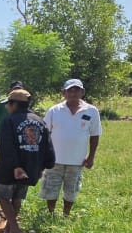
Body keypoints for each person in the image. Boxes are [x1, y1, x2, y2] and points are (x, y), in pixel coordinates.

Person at [0, 88, 54, 233]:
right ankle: (9, 229)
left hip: (11, 168)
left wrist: (15, 167)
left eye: (8, 104)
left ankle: (15, 230)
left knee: (1, 195)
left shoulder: (10, 120)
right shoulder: (40, 121)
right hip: (31, 167)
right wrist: (44, 166)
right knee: (17, 197)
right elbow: (47, 146)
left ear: (14, 104)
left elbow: (7, 146)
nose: (7, 107)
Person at [41, 78, 102, 216]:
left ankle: (66, 214)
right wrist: (44, 155)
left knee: (71, 189)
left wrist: (91, 157)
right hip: (54, 159)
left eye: (76, 90)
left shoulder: (91, 111)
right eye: (70, 91)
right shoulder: (54, 110)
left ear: (82, 92)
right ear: (64, 93)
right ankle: (50, 213)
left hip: (77, 160)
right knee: (51, 187)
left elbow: (95, 135)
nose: (73, 93)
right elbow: (45, 134)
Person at [0, 80, 24, 177]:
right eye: (15, 89)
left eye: (19, 89)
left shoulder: (22, 104)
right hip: (2, 135)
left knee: (7, 159)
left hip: (16, 137)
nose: (17, 92)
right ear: (10, 90)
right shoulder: (3, 103)